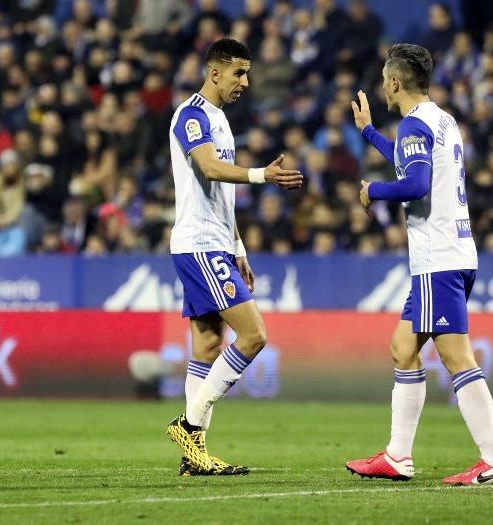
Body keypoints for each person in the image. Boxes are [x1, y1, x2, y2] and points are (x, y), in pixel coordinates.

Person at [344, 44, 493, 486]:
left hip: (438, 258)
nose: (383, 86)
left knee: (456, 356)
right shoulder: (442, 120)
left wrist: (372, 193)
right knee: (404, 347)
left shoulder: (415, 124)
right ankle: (398, 456)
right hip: (450, 254)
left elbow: (415, 183)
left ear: (395, 82)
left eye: (385, 79)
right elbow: (413, 159)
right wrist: (368, 133)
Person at [164, 38, 303, 476]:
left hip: (217, 243)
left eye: (248, 73)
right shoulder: (191, 116)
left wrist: (239, 248)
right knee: (254, 335)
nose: (245, 81)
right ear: (214, 72)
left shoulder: (221, 120)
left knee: (207, 344)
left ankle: (194, 457)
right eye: (239, 72)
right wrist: (263, 174)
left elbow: (221, 192)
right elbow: (209, 168)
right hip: (199, 244)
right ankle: (188, 426)